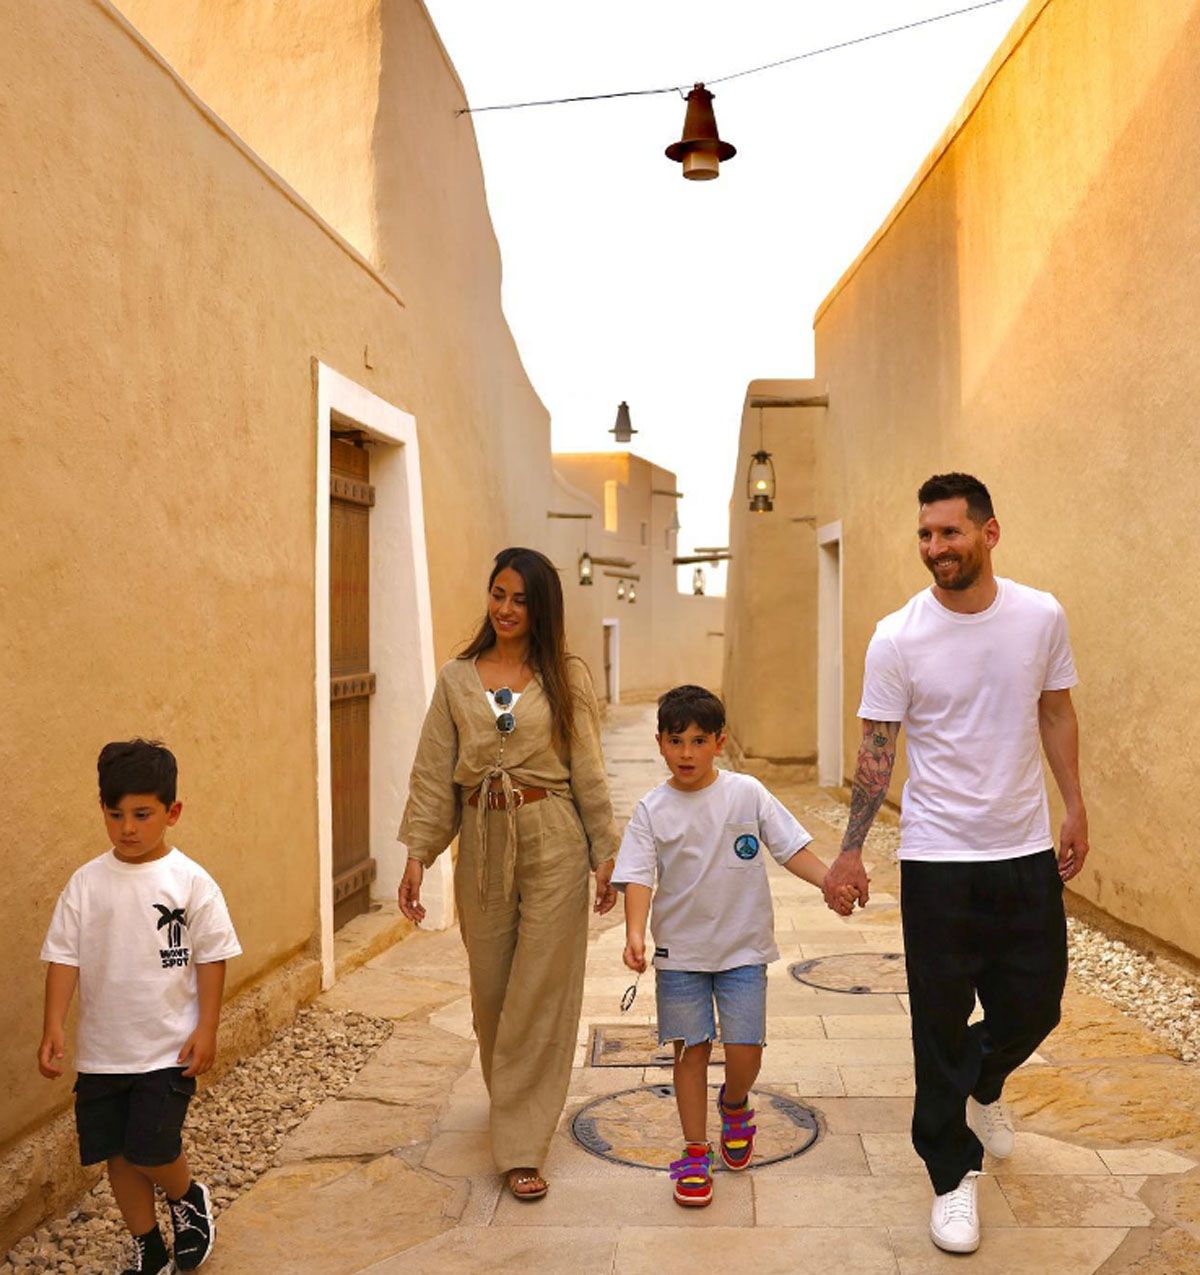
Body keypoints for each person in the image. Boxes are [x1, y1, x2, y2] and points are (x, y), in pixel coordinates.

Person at [823, 472, 1088, 1255]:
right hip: (937, 854)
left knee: (1038, 1001)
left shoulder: (1039, 616)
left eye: (949, 532)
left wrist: (1075, 804)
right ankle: (949, 1175)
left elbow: (1056, 708)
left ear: (989, 532)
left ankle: (983, 1083)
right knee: (938, 1022)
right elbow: (878, 748)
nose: (935, 548)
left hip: (1023, 845)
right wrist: (849, 849)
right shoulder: (897, 635)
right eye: (926, 535)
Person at [396, 547, 618, 1201]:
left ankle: (521, 1143)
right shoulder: (456, 677)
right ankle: (512, 1097)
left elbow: (590, 768)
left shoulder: (566, 675)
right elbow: (434, 770)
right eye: (499, 593)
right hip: (483, 839)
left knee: (538, 990)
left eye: (521, 598)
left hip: (553, 836)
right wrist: (418, 853)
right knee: (492, 990)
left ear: (540, 607)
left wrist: (609, 852)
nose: (506, 607)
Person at [612, 684, 853, 1207]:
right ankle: (695, 1151)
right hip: (681, 955)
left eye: (699, 742)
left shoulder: (746, 794)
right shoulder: (652, 809)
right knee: (690, 1050)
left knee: (746, 1052)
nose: (687, 754)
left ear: (719, 742)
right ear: (659, 743)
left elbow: (791, 848)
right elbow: (636, 875)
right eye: (676, 742)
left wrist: (830, 882)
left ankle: (736, 1103)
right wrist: (636, 933)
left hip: (743, 949)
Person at [38, 740, 241, 1275]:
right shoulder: (85, 883)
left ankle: (187, 1199)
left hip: (166, 1049)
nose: (127, 827)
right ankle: (147, 1247)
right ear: (102, 809)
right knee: (119, 1155)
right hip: (104, 1055)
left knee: (152, 1147)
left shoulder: (190, 882)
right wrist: (54, 1024)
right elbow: (63, 957)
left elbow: (213, 956)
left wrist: (208, 1027)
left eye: (142, 814)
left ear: (172, 813)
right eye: (115, 814)